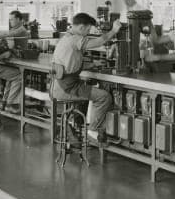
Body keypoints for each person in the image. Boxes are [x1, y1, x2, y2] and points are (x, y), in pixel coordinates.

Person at [51, 12, 123, 142]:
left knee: (90, 91)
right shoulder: (76, 39)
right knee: (104, 97)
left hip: (60, 84)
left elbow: (71, 63)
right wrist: (113, 30)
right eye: (88, 29)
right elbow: (99, 41)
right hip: (67, 87)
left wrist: (93, 64)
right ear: (81, 28)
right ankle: (92, 131)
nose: (88, 32)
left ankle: (77, 126)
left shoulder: (66, 37)